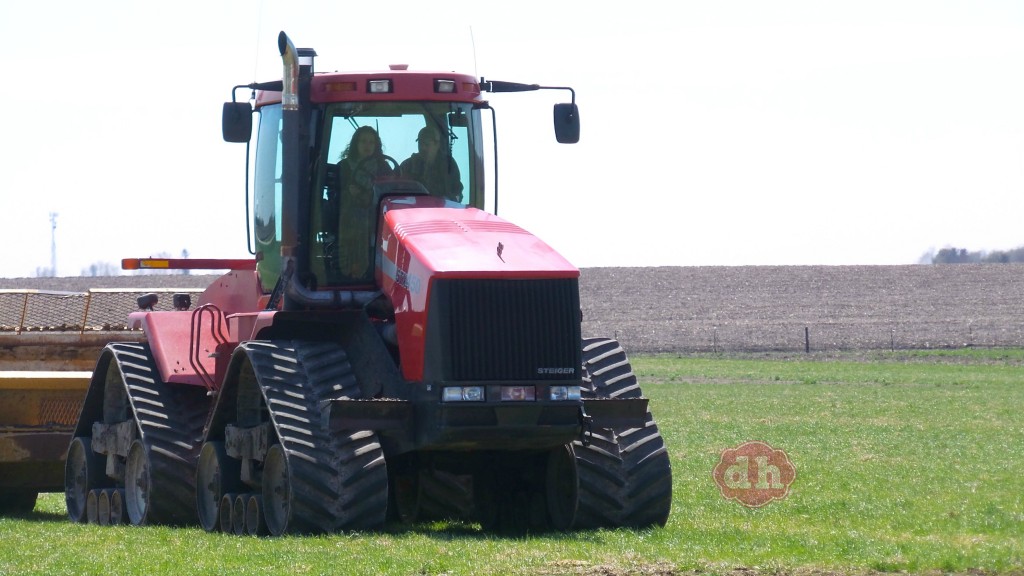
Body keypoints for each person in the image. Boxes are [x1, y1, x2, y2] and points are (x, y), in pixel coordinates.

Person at [332, 126, 395, 280]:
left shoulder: (383, 167)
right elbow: (334, 197)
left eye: (371, 142)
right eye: (363, 142)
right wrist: (349, 194)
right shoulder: (344, 167)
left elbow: (392, 189)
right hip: (349, 221)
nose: (367, 146)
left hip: (379, 219)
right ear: (356, 144)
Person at [400, 127, 463, 202]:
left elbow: (457, 193)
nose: (423, 147)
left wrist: (448, 201)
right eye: (420, 143)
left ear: (437, 145)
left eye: (426, 144)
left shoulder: (449, 164)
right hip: (411, 209)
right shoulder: (407, 165)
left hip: (441, 210)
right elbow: (396, 189)